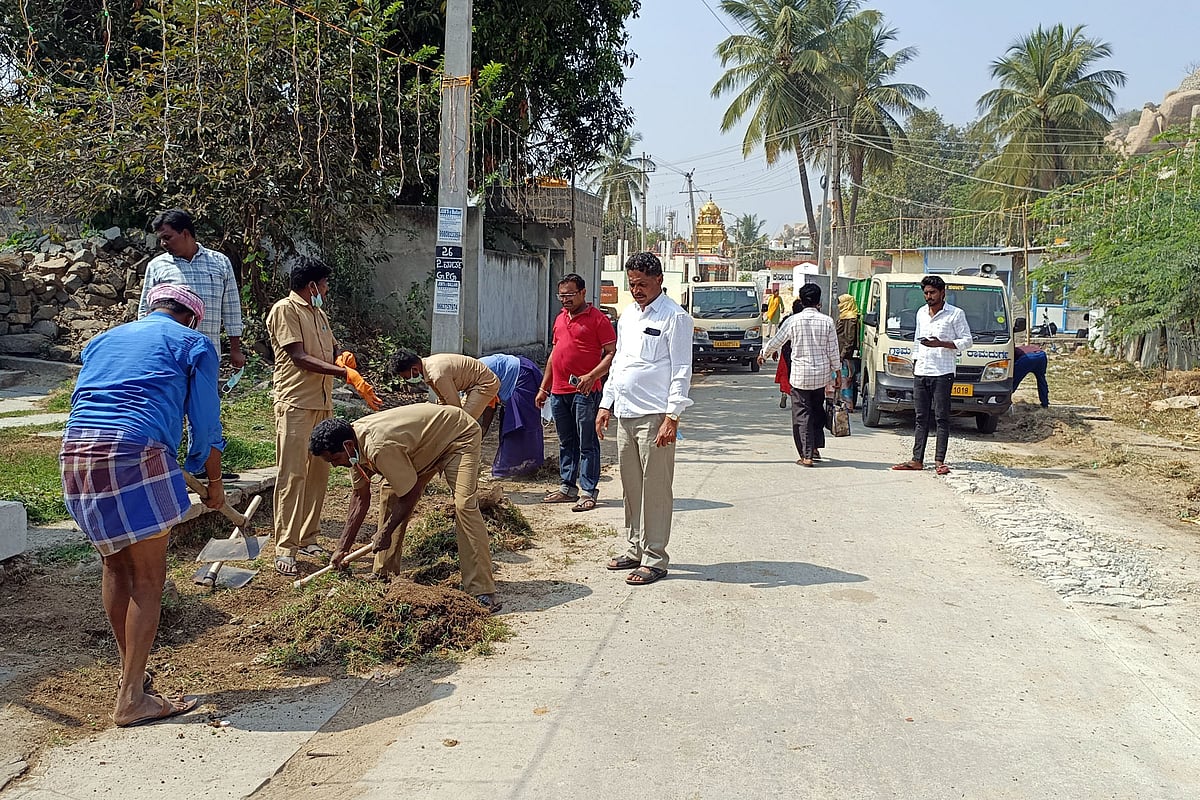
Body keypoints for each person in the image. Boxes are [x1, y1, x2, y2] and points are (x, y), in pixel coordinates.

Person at [60, 284, 225, 727]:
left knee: (115, 567)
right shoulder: (194, 343)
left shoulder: (102, 339)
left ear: (150, 308)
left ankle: (131, 675)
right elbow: (206, 421)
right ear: (191, 317)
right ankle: (132, 697)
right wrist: (211, 481)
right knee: (149, 578)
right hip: (136, 451)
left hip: (76, 451)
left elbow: (86, 397)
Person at [310, 407, 502, 613]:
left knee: (464, 505)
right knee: (390, 491)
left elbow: (409, 495)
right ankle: (384, 574)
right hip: (422, 449)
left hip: (457, 437)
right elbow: (360, 498)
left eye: (334, 460)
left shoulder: (378, 447)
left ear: (347, 446)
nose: (335, 466)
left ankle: (481, 590)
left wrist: (385, 531)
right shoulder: (353, 450)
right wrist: (342, 548)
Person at [266, 256, 382, 576]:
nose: (327, 290)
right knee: (293, 475)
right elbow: (299, 357)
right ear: (312, 284)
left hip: (322, 403)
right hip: (296, 404)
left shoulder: (319, 314)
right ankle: (285, 546)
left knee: (319, 474)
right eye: (325, 284)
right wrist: (345, 373)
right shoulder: (284, 310)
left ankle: (308, 536)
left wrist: (342, 358)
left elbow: (331, 351)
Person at [597, 252, 693, 586]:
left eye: (642, 284)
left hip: (655, 417)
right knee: (631, 488)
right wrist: (606, 403)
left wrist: (673, 416)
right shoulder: (627, 317)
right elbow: (619, 362)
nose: (636, 290)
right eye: (632, 283)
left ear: (658, 281)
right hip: (625, 413)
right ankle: (634, 547)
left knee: (656, 489)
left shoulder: (674, 317)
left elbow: (681, 370)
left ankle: (655, 557)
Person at [535, 273, 617, 512]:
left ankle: (589, 491)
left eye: (570, 294)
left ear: (583, 293)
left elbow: (611, 354)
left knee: (587, 442)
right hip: (560, 391)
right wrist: (544, 388)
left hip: (586, 392)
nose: (565, 300)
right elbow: (554, 355)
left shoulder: (598, 319)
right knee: (566, 440)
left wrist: (592, 376)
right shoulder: (560, 319)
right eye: (561, 295)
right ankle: (567, 487)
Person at [138, 209, 246, 369]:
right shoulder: (157, 266)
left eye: (167, 237)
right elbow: (145, 312)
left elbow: (231, 308)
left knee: (205, 393)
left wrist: (235, 349)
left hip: (207, 353)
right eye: (160, 239)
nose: (163, 244)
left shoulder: (220, 262)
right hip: (170, 355)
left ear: (186, 233)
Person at [892, 275, 973, 475]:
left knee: (941, 417)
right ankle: (916, 459)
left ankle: (939, 461)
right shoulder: (921, 313)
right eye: (926, 293)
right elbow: (917, 341)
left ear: (942, 293)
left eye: (932, 293)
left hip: (943, 372)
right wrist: (916, 361)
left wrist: (942, 344)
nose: (929, 296)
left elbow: (967, 340)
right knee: (920, 417)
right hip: (922, 371)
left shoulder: (955, 314)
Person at [759, 283, 839, 467]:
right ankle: (815, 447)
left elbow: (776, 341)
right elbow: (833, 350)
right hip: (820, 375)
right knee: (816, 410)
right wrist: (837, 372)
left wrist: (763, 354)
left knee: (802, 414)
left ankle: (806, 455)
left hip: (800, 376)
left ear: (801, 301)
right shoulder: (827, 321)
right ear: (819, 301)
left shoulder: (793, 321)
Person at [480, 353, 545, 477]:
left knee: (517, 422)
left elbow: (489, 408)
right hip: (516, 372)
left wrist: (482, 433)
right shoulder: (466, 377)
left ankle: (519, 467)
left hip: (522, 376)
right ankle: (514, 466)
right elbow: (490, 406)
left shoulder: (474, 379)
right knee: (509, 420)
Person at [389, 350, 500, 423]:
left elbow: (455, 407)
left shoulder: (437, 375)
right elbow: (443, 399)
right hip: (472, 387)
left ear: (414, 369)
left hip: (484, 384)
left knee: (463, 423)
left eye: (405, 376)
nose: (405, 380)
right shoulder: (427, 369)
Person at [835, 293, 860, 410]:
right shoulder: (844, 316)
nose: (839, 305)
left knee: (846, 380)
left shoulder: (851, 318)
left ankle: (848, 404)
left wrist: (842, 354)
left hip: (846, 355)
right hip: (841, 353)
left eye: (841, 302)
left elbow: (850, 339)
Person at [1014, 343, 1050, 408]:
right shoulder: (1024, 348)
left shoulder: (1014, 351)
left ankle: (1004, 400)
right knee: (1041, 380)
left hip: (1028, 358)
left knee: (1014, 380)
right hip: (1042, 355)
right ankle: (1045, 403)